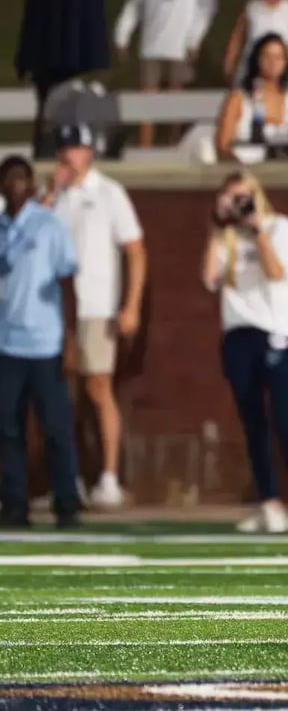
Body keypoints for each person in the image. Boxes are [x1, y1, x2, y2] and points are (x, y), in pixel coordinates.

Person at [203, 171, 288, 535]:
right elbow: (208, 278)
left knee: (285, 420)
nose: (240, 204)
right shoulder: (226, 235)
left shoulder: (279, 227)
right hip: (238, 334)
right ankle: (268, 501)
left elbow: (276, 271)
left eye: (245, 197)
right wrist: (217, 226)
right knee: (252, 423)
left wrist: (256, 228)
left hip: (276, 332)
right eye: (233, 198)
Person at [40, 124, 146, 510]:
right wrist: (51, 193)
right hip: (54, 309)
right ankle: (68, 479)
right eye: (63, 147)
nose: (69, 154)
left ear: (90, 151)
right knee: (61, 396)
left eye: (77, 147)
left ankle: (108, 478)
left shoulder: (109, 193)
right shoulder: (54, 196)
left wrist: (130, 304)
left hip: (97, 306)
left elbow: (135, 250)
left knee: (98, 389)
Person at [0, 155, 80, 529]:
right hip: (7, 343)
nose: (15, 187)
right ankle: (15, 505)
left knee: (55, 427)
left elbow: (67, 281)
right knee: (8, 428)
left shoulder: (49, 226)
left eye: (21, 179)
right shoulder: (0, 227)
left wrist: (71, 337)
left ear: (31, 185)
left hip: (46, 342)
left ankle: (67, 504)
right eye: (9, 180)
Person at [113, 0, 217, 148]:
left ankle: (172, 146)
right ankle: (145, 147)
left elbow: (207, 5)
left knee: (175, 99)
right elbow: (135, 2)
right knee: (148, 101)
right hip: (151, 44)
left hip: (180, 45)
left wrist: (194, 38)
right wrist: (122, 33)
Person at [215, 33, 288, 161]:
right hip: (243, 167)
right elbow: (223, 145)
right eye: (267, 56)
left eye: (279, 57)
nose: (273, 63)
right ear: (257, 59)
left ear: (286, 63)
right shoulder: (238, 99)